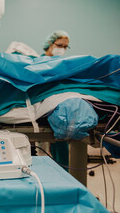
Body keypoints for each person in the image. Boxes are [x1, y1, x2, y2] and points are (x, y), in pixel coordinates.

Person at [43, 30, 70, 170]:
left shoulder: (63, 64)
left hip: (59, 107)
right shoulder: (39, 62)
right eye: (60, 45)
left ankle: (64, 174)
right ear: (50, 43)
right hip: (43, 106)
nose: (62, 49)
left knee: (61, 143)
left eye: (66, 47)